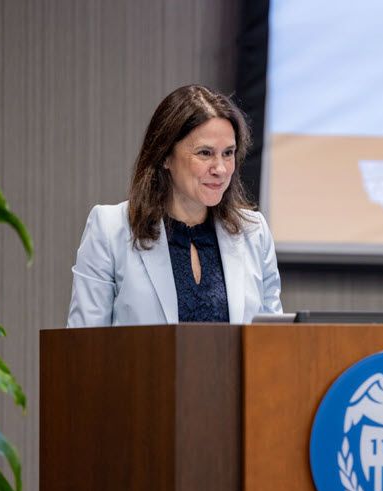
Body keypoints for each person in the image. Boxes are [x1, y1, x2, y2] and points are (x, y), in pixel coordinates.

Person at [67, 85, 282, 327]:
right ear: (165, 156)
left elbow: (271, 345)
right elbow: (82, 347)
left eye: (228, 153)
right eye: (205, 153)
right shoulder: (109, 229)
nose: (220, 169)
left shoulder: (254, 232)